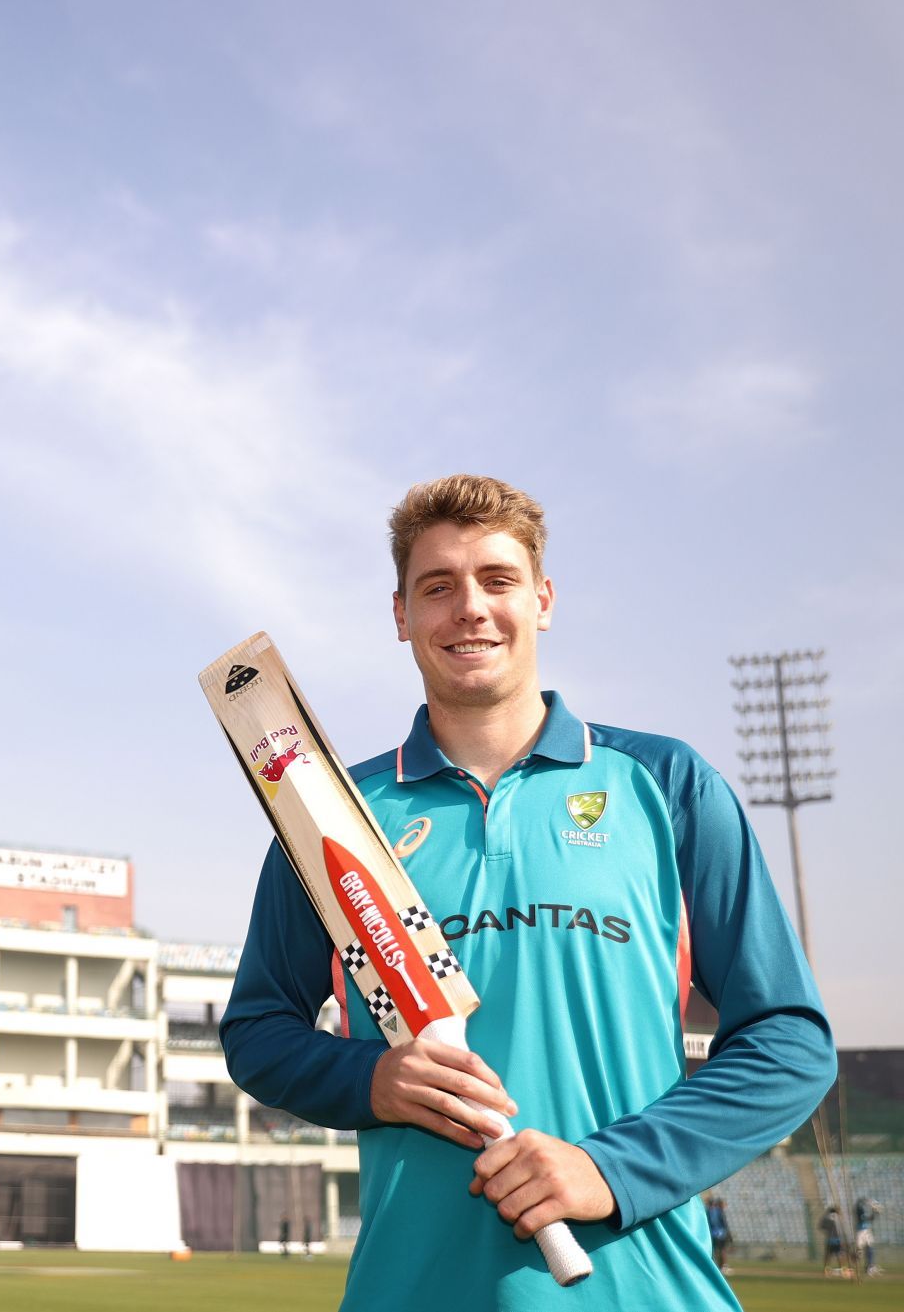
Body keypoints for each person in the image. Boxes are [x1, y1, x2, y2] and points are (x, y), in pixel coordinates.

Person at [220, 475, 836, 1310]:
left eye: (497, 580)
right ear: (400, 615)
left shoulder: (667, 784)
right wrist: (372, 1079)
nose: (469, 607)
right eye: (436, 586)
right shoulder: (332, 819)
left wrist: (606, 1169)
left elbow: (789, 1041)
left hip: (643, 1293)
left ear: (541, 600)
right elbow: (257, 1031)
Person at [855, 1196, 880, 1276]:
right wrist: (874, 1210)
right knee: (859, 1252)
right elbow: (866, 1218)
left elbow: (871, 1218)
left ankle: (870, 1267)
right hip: (860, 1231)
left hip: (866, 1231)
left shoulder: (862, 1209)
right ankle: (857, 1267)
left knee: (870, 1249)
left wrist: (875, 1212)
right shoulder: (859, 1210)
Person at [705, 1196, 730, 1274]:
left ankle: (714, 1266)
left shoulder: (708, 1211)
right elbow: (724, 1223)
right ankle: (723, 1266)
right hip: (721, 1233)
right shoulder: (718, 1211)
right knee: (722, 1250)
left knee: (714, 1250)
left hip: (713, 1233)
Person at [822, 1205, 847, 1277]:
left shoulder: (827, 1217)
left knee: (828, 1255)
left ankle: (825, 1269)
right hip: (837, 1239)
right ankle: (842, 1269)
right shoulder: (838, 1218)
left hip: (830, 1239)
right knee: (841, 1255)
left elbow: (822, 1226)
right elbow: (842, 1228)